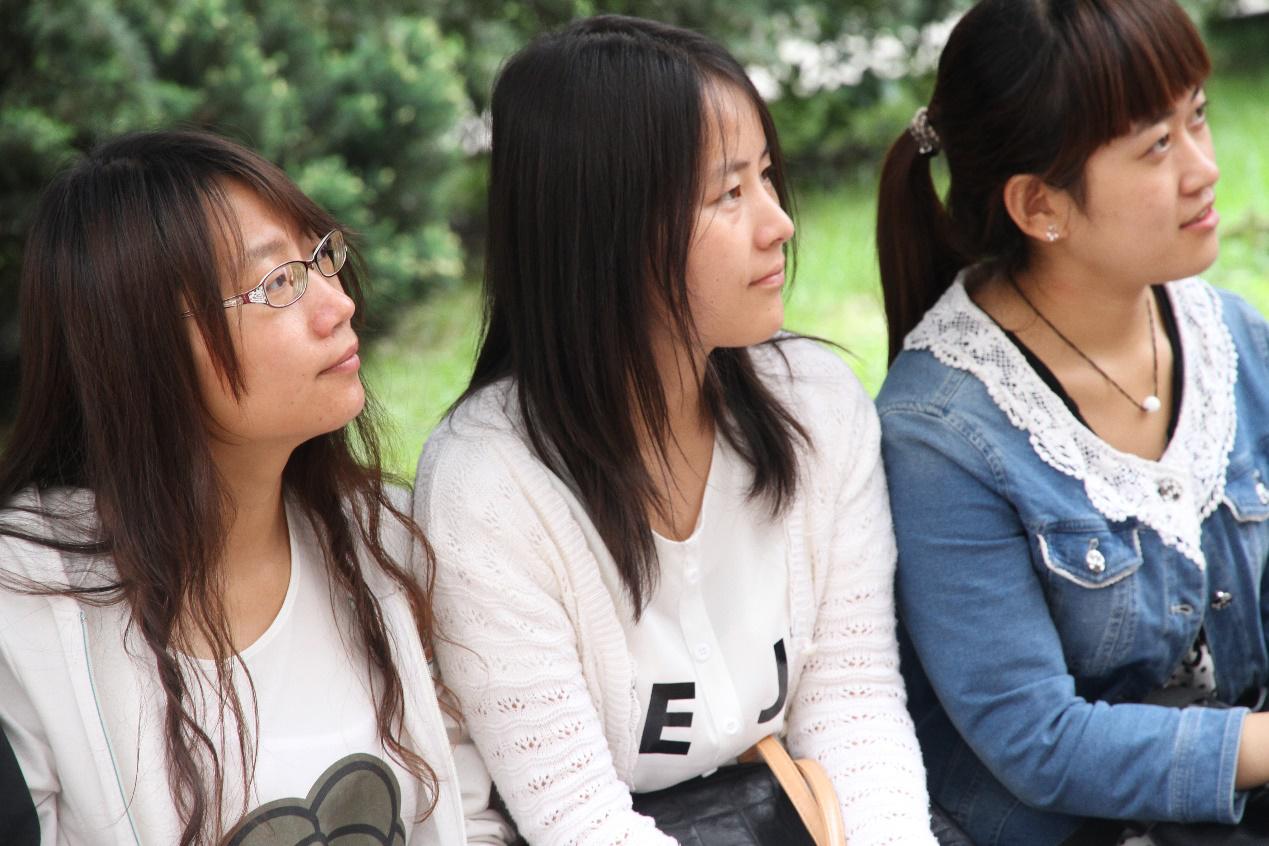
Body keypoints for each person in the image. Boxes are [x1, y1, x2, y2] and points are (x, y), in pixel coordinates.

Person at [414, 14, 936, 846]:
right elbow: (576, 818)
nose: (778, 222)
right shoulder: (487, 489)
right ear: (605, 229)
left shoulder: (815, 404)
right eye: (729, 194)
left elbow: (853, 699)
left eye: (766, 177)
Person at [0, 130, 508, 846]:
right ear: (143, 347)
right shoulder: (25, 615)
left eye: (321, 256)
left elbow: (469, 816)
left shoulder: (380, 541)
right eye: (278, 284)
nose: (337, 304)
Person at [874, 0, 1269, 843]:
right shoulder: (939, 432)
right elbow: (1037, 740)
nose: (1203, 167)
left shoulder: (1231, 339)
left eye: (1196, 116)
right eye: (1155, 146)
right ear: (1037, 205)